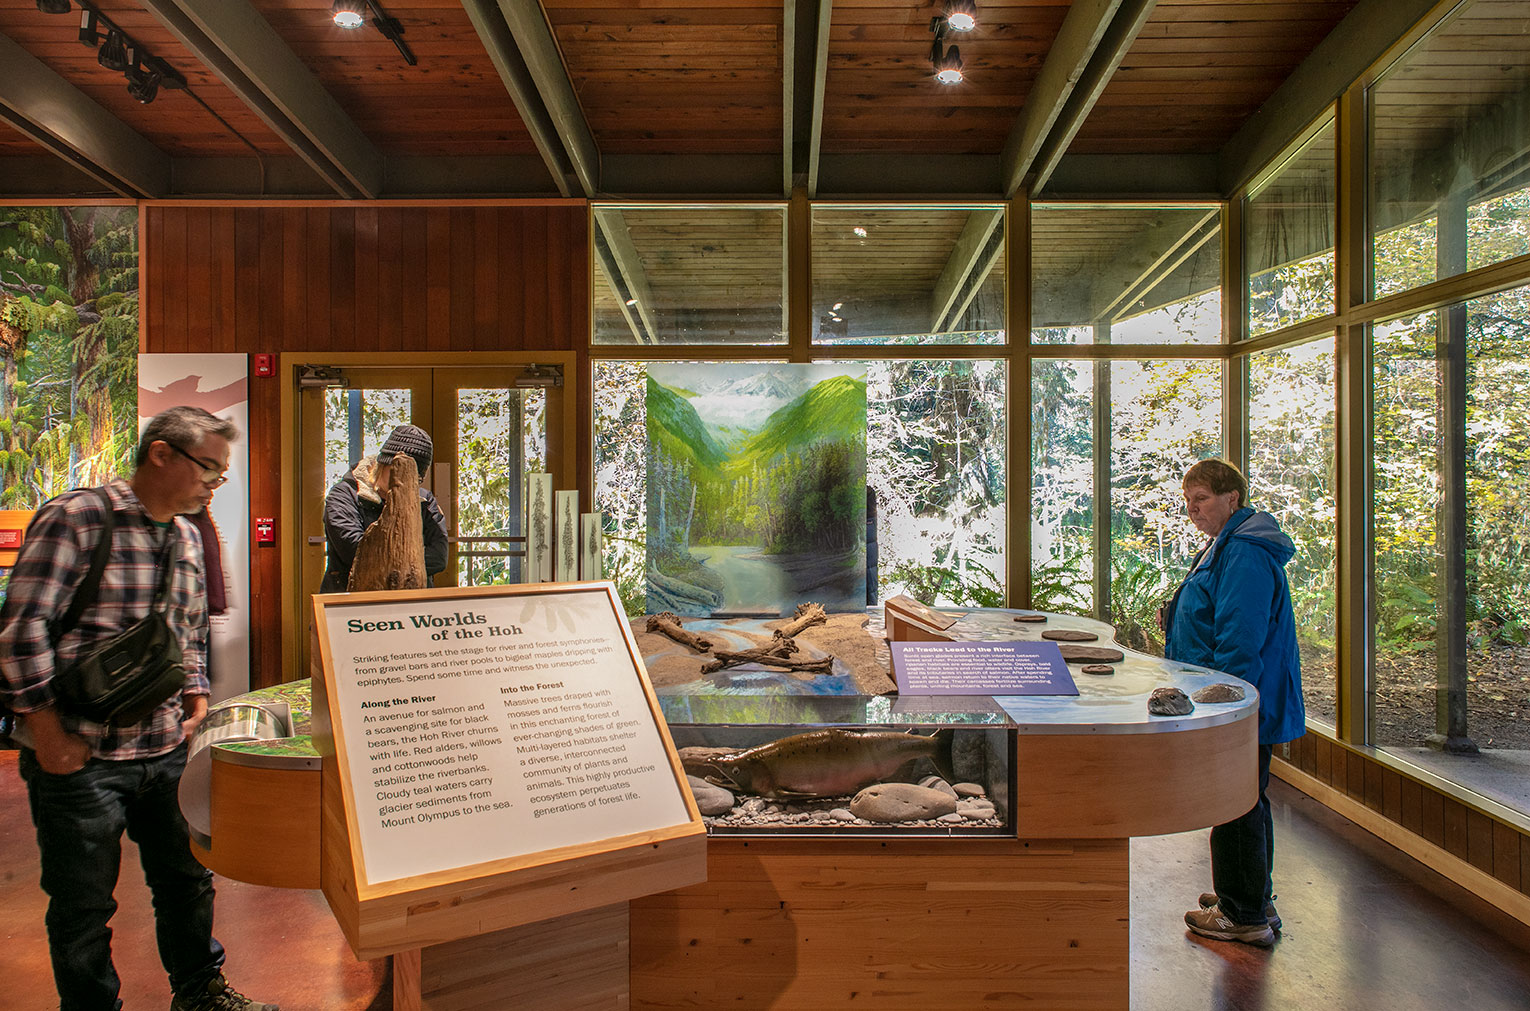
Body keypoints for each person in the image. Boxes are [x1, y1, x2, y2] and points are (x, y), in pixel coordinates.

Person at [0, 406, 278, 1011]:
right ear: (160, 454)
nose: (213, 485)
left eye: (220, 476)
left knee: (187, 881)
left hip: (164, 750)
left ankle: (200, 993)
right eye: (209, 469)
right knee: (84, 906)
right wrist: (48, 732)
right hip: (81, 756)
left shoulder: (184, 534)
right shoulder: (76, 519)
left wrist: (197, 695)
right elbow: (22, 632)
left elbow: (186, 631)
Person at [1163, 458, 1304, 948]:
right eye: (1188, 501)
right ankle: (1250, 895)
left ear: (1232, 499)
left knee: (1235, 798)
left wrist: (1225, 710)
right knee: (1246, 795)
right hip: (1233, 699)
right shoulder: (1228, 545)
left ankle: (1242, 915)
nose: (1192, 510)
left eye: (1200, 499)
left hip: (1236, 703)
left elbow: (1239, 639)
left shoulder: (1243, 551)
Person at [319, 423, 449, 593]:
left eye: (414, 479)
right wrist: (410, 562)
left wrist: (392, 563)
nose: (403, 482)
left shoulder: (424, 500)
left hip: (411, 605)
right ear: (383, 463)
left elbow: (439, 557)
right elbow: (357, 552)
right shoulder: (344, 495)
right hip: (351, 602)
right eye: (397, 473)